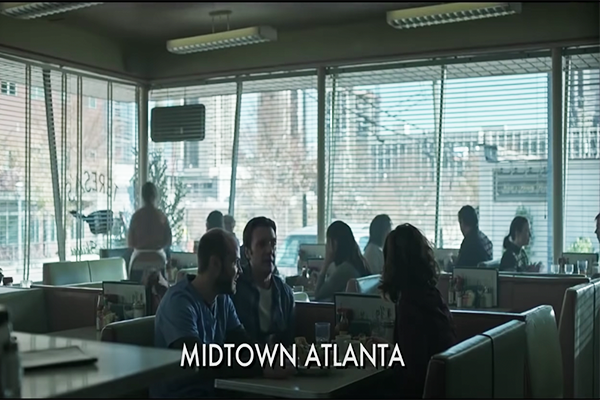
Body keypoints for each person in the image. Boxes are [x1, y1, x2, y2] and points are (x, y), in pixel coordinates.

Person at [151, 229, 293, 398]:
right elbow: (196, 360)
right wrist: (261, 367)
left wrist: (273, 359)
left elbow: (243, 344)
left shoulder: (222, 301)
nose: (240, 271)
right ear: (215, 264)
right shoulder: (179, 302)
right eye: (235, 263)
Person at [373, 223, 457, 398]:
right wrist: (391, 349)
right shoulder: (431, 294)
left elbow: (412, 375)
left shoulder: (409, 305)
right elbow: (416, 352)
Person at [232, 217, 294, 347]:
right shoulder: (235, 289)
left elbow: (290, 341)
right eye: (262, 244)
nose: (269, 250)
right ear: (248, 252)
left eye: (273, 243)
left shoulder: (285, 293)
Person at [314, 221, 370, 302]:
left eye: (328, 242)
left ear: (334, 243)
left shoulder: (345, 269)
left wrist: (326, 263)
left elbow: (318, 295)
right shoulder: (356, 263)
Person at [127, 182, 172, 272]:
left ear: (142, 196)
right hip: (159, 259)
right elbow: (168, 241)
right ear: (155, 196)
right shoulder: (161, 217)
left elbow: (130, 242)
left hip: (137, 260)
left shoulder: (136, 216)